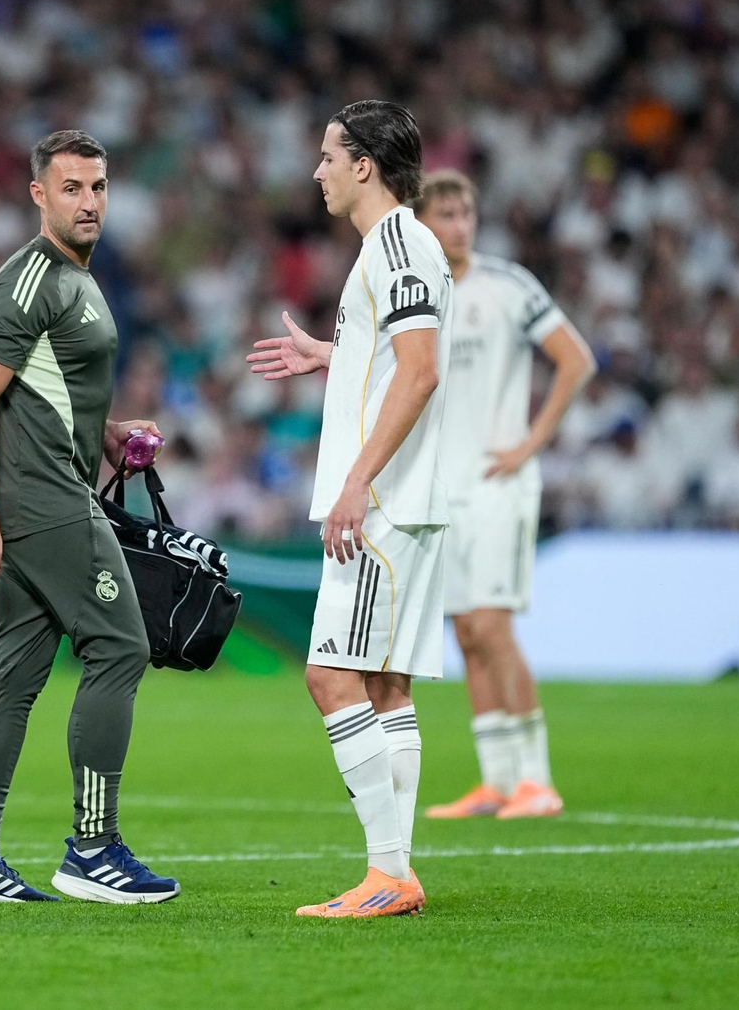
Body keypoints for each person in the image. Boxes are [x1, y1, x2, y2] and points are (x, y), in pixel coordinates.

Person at [0, 130, 179, 905]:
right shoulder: (30, 278)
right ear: (39, 194)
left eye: (98, 187)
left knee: (13, 675)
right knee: (120, 648)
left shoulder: (76, 278)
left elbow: (43, 390)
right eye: (71, 187)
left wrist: (105, 434)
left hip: (51, 488)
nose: (89, 201)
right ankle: (92, 849)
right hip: (42, 500)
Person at [245, 100, 452, 918]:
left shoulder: (399, 241)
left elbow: (423, 369)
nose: (318, 170)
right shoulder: (393, 248)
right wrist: (337, 356)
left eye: (329, 155)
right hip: (406, 498)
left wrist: (357, 482)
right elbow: (398, 358)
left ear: (365, 164)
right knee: (386, 686)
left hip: (387, 504)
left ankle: (388, 873)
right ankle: (395, 871)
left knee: (332, 677)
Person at [413, 170, 595, 821]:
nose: (459, 225)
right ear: (423, 223)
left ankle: (537, 782)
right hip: (445, 487)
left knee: (493, 624)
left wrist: (529, 444)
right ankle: (496, 782)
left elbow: (575, 359)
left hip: (498, 484)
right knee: (466, 631)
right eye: (447, 214)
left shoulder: (508, 284)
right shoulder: (418, 296)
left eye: (466, 213)